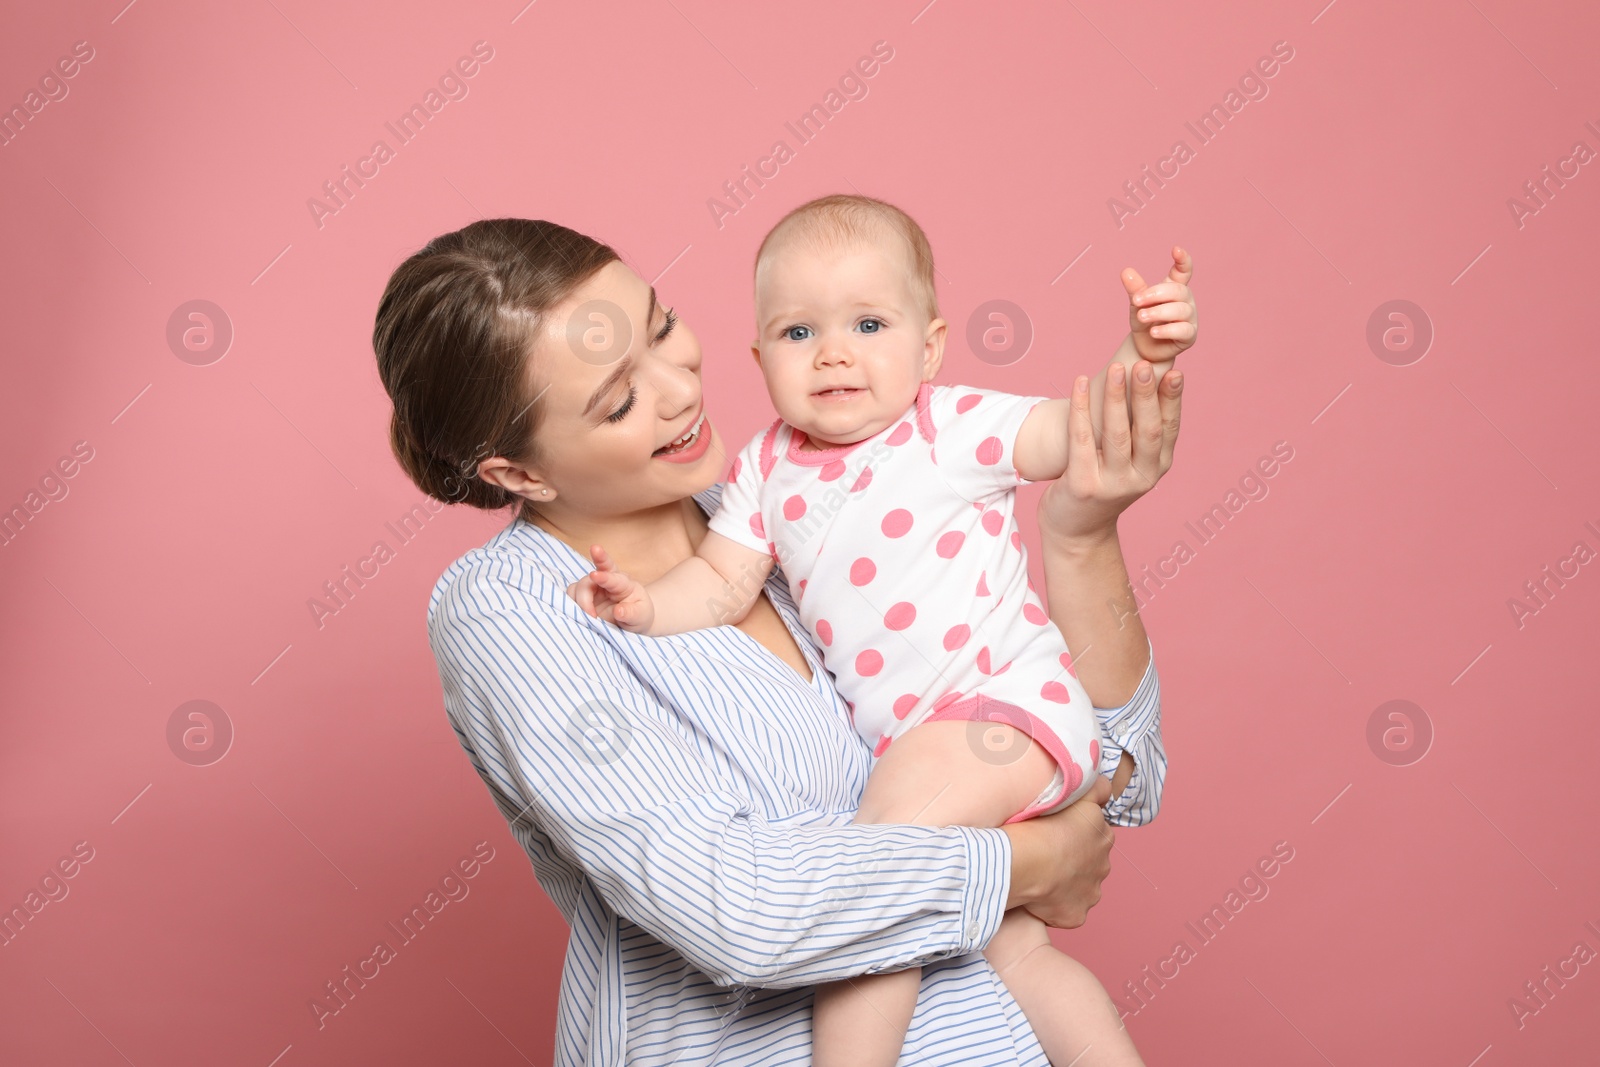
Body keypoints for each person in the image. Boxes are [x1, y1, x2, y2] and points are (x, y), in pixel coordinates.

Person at [373, 215, 1184, 1066]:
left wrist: (1081, 536)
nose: (681, 389)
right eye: (619, 399)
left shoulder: (787, 503)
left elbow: (1123, 770)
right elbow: (742, 913)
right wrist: (1025, 861)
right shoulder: (513, 608)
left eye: (662, 327)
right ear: (520, 473)